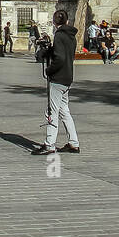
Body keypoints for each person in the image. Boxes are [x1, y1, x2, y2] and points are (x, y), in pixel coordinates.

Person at [30, 9, 80, 155]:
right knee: (64, 110)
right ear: (67, 21)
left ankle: (49, 144)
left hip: (58, 79)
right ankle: (73, 142)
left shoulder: (59, 35)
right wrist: (50, 50)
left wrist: (49, 70)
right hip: (67, 77)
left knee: (52, 111)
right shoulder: (71, 36)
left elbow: (60, 58)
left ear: (54, 22)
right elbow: (64, 54)